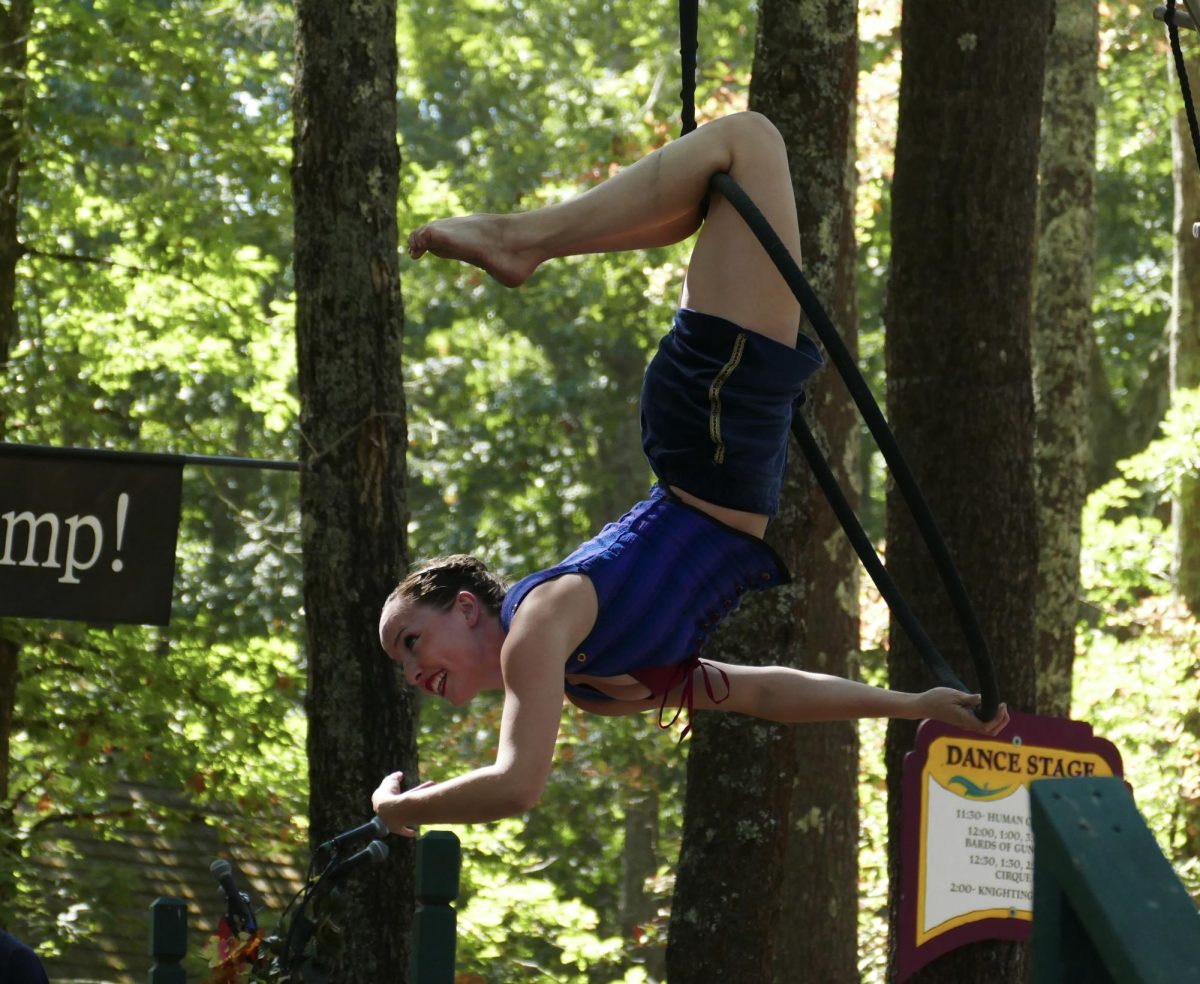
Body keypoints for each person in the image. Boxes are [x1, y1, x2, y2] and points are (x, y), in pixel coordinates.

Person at [371, 112, 1009, 835]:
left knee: (748, 143)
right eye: (403, 661)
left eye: (411, 641)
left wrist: (403, 808)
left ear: (462, 607)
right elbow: (763, 694)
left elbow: (517, 785)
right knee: (726, 174)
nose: (412, 672)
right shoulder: (600, 688)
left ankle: (523, 240)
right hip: (727, 439)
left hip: (709, 430)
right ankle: (528, 242)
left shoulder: (540, 621)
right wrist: (912, 703)